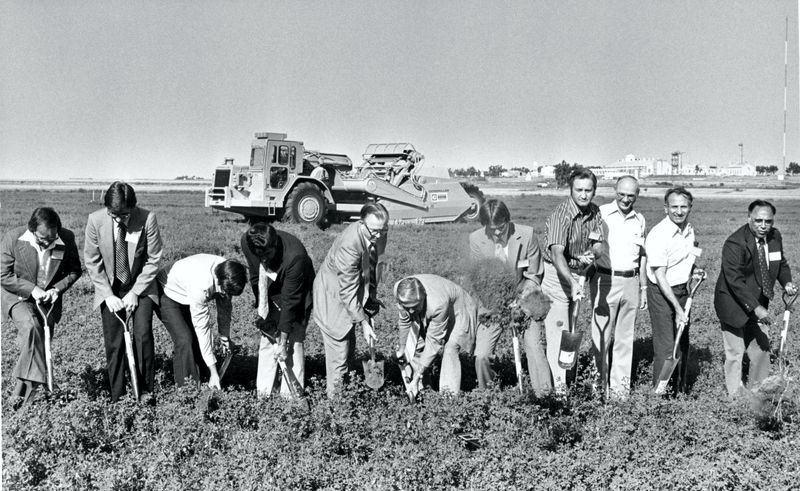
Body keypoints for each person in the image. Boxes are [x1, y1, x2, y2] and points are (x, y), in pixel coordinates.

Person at [84, 182, 163, 401]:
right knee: (114, 342)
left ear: (134, 207)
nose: (119, 219)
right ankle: (117, 395)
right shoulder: (95, 220)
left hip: (140, 285)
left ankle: (146, 392)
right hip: (110, 288)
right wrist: (108, 295)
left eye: (124, 215)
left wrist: (135, 292)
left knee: (143, 335)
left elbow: (153, 259)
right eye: (113, 215)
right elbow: (92, 261)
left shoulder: (147, 219)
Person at [714, 200, 797, 396]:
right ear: (748, 218)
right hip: (733, 302)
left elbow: (780, 263)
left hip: (758, 300)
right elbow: (734, 281)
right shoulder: (735, 243)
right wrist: (756, 308)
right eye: (758, 220)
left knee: (761, 349)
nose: (763, 225)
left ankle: (759, 392)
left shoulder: (774, 237)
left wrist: (786, 282)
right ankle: (735, 398)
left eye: (768, 221)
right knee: (735, 352)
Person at [469, 199, 551, 394]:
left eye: (501, 227)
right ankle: (488, 393)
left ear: (508, 220)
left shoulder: (527, 234)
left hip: (525, 298)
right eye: (491, 229)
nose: (497, 233)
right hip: (492, 302)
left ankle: (545, 396)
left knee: (534, 348)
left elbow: (534, 274)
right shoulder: (476, 239)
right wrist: (500, 301)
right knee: (481, 355)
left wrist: (521, 300)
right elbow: (479, 278)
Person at [1, 208, 82, 406]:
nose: (48, 243)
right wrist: (32, 289)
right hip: (18, 296)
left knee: (38, 345)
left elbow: (74, 271)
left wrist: (57, 289)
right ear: (32, 230)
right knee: (32, 328)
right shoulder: (13, 238)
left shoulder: (66, 238)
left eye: (52, 239)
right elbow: (3, 275)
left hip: (49, 300)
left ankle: (19, 398)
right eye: (42, 239)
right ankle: (31, 401)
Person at [313, 202, 388, 397]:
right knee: (339, 355)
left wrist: (371, 295)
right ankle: (337, 411)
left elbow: (374, 265)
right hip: (334, 299)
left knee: (349, 350)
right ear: (361, 224)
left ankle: (346, 394)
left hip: (352, 294)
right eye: (374, 231)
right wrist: (363, 322)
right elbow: (346, 290)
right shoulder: (349, 245)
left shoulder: (378, 232)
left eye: (383, 230)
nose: (379, 236)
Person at [541, 168, 604, 392]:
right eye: (579, 190)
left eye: (588, 190)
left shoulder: (595, 212)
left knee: (572, 329)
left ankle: (569, 381)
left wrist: (592, 254)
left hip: (579, 274)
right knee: (559, 333)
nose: (583, 195)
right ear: (571, 189)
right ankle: (558, 393)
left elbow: (597, 242)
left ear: (594, 191)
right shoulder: (561, 215)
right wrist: (573, 282)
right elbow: (557, 254)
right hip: (558, 278)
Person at [241, 222, 315, 397]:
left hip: (297, 290)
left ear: (275, 245)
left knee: (293, 340)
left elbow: (290, 302)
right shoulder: (247, 242)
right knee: (268, 339)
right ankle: (264, 393)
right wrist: (263, 308)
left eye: (267, 254)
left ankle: (291, 397)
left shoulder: (295, 257)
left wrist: (283, 341)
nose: (264, 259)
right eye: (260, 255)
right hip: (271, 289)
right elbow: (254, 276)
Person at [590, 176, 647, 397]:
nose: (625, 199)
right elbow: (591, 247)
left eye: (630, 195)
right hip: (605, 280)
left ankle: (620, 393)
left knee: (625, 339)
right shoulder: (600, 213)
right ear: (615, 191)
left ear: (637, 195)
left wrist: (642, 288)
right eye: (621, 194)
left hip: (631, 282)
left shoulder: (640, 220)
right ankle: (597, 391)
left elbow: (642, 256)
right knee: (601, 336)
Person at [157, 255, 247, 389]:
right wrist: (214, 371)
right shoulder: (201, 285)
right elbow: (203, 328)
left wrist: (225, 336)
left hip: (187, 289)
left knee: (196, 340)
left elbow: (225, 309)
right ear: (219, 283)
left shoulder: (229, 271)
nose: (226, 296)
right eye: (225, 292)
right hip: (167, 290)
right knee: (185, 339)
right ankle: (187, 389)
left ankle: (205, 379)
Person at [645, 186, 703, 393]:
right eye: (674, 207)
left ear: (690, 207)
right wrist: (678, 310)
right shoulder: (659, 234)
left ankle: (679, 388)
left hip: (682, 290)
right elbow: (660, 276)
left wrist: (695, 271)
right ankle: (660, 395)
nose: (678, 211)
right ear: (665, 208)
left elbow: (689, 257)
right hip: (661, 291)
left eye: (683, 207)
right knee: (666, 346)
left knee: (682, 342)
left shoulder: (689, 229)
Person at [394, 274, 479, 394]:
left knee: (450, 348)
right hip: (432, 308)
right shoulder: (400, 290)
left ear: (423, 298)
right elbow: (404, 320)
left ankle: (448, 397)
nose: (411, 311)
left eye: (414, 307)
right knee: (415, 345)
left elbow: (434, 342)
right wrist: (403, 348)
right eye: (408, 307)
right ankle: (425, 390)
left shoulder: (438, 304)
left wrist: (418, 375)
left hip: (459, 309)